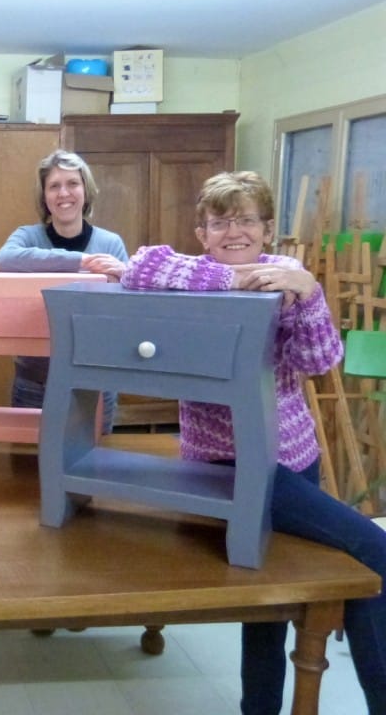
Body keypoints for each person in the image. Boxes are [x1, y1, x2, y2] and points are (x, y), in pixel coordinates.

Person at [119, 171, 386, 715]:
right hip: (229, 466)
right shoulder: (194, 277)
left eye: (246, 220)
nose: (234, 231)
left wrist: (308, 295)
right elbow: (140, 264)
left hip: (295, 462)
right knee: (365, 557)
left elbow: (318, 362)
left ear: (267, 229)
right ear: (203, 233)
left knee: (297, 586)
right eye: (220, 222)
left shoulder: (287, 276)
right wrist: (234, 278)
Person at [0, 149, 127, 431]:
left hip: (96, 382)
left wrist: (124, 273)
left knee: (96, 455)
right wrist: (81, 261)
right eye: (54, 186)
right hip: (35, 382)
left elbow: (124, 311)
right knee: (29, 459)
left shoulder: (110, 244)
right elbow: (4, 259)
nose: (64, 193)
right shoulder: (27, 236)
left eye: (72, 183)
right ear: (44, 196)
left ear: (86, 190)